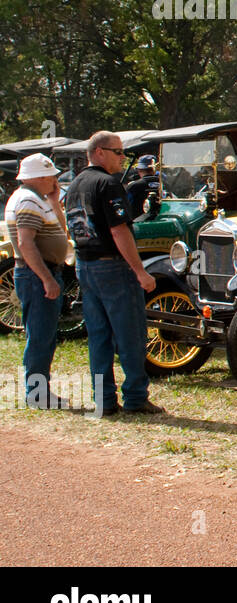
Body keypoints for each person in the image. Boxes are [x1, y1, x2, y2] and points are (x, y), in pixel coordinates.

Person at [63, 131, 163, 416]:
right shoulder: (108, 184)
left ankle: (104, 400)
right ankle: (135, 398)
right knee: (130, 333)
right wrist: (140, 271)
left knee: (99, 336)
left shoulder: (75, 184)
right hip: (112, 266)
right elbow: (119, 230)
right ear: (98, 152)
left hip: (86, 265)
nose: (122, 157)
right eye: (117, 151)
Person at [3, 154, 70, 409]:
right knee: (41, 336)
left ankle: (40, 391)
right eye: (52, 175)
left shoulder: (36, 199)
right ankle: (37, 393)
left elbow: (61, 231)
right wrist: (46, 279)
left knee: (44, 335)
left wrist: (55, 203)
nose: (55, 180)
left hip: (41, 273)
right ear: (40, 177)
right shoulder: (28, 200)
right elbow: (25, 243)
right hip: (37, 275)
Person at [125, 154, 161, 218]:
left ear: (139, 170)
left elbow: (125, 206)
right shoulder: (165, 184)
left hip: (138, 223)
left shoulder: (133, 186)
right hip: (161, 220)